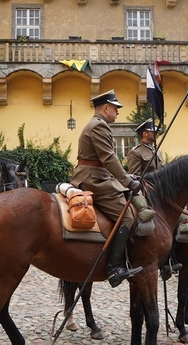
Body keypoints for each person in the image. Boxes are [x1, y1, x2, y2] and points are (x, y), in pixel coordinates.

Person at [71, 90, 143, 287]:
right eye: (115, 108)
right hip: (93, 180)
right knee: (127, 216)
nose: (117, 113)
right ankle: (114, 268)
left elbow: (106, 160)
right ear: (105, 108)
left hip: (98, 176)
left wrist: (127, 176)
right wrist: (128, 183)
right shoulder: (98, 126)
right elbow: (108, 158)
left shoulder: (98, 125)